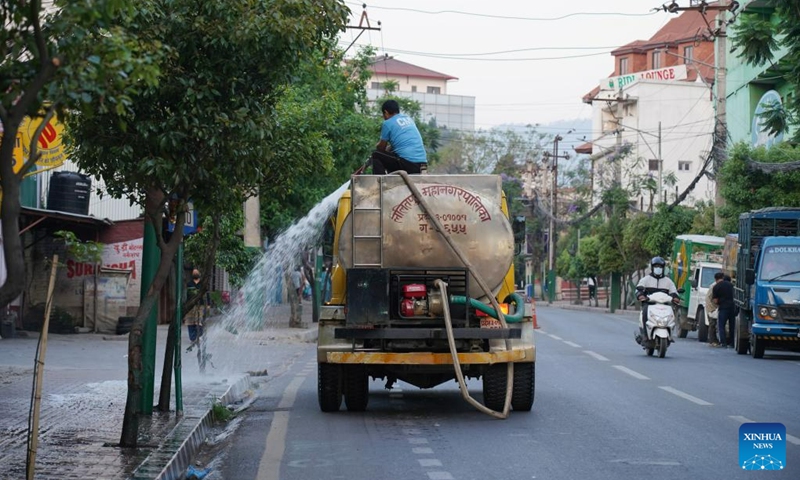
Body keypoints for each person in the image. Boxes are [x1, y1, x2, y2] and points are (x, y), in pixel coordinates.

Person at [370, 99, 428, 174]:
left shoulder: (387, 123)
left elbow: (381, 148)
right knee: (393, 154)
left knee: (376, 154)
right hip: (422, 164)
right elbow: (403, 143)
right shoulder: (408, 119)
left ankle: (380, 182)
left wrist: (377, 146)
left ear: (386, 112)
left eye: (383, 114)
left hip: (407, 164)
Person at [636, 256, 679, 342]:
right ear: (652, 267)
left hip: (664, 305)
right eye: (656, 266)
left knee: (673, 312)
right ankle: (645, 334)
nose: (658, 268)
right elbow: (638, 290)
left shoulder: (668, 281)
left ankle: (670, 332)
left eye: (660, 267)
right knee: (644, 311)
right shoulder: (646, 280)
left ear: (663, 268)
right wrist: (640, 295)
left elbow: (674, 292)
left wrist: (675, 297)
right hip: (649, 304)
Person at [185, 269, 211, 371]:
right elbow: (186, 295)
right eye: (194, 272)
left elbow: (207, 294)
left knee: (199, 322)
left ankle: (199, 337)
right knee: (190, 322)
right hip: (190, 306)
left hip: (200, 306)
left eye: (196, 272)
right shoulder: (189, 284)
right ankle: (192, 338)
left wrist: (208, 304)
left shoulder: (202, 285)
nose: (195, 274)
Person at [712, 273, 735, 348]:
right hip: (732, 307)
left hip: (723, 308)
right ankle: (732, 343)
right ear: (723, 277)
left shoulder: (716, 287)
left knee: (721, 325)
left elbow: (715, 300)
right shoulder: (731, 285)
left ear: (715, 279)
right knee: (732, 325)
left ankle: (723, 343)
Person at [705, 272, 722, 347]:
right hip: (712, 307)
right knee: (712, 324)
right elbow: (710, 298)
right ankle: (713, 340)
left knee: (714, 324)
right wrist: (713, 308)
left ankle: (715, 340)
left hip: (713, 307)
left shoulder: (715, 285)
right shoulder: (714, 286)